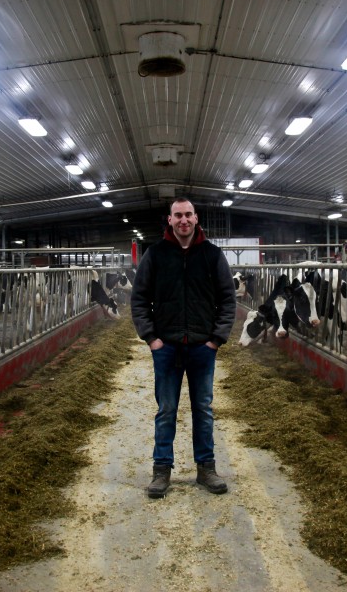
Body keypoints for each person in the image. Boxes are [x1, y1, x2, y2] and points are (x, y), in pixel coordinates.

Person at [131, 197, 238, 498]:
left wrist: (216, 339)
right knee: (166, 410)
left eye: (188, 214)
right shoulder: (155, 255)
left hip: (203, 348)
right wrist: (151, 338)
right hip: (166, 348)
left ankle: (206, 469)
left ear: (196, 217)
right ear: (169, 220)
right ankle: (161, 471)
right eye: (177, 215)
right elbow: (139, 300)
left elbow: (228, 300)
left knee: (203, 409)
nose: (183, 220)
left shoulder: (212, 255)